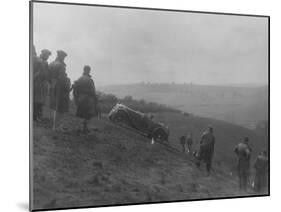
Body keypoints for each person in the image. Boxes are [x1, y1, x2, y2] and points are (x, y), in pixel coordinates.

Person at [49, 50, 70, 131]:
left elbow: (48, 75)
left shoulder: (51, 63)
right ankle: (57, 127)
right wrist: (67, 87)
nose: (64, 59)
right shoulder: (60, 65)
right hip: (60, 87)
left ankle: (55, 126)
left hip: (52, 86)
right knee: (60, 107)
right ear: (61, 56)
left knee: (56, 107)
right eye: (63, 57)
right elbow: (62, 78)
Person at [73, 65, 98, 134]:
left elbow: (75, 90)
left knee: (82, 114)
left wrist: (76, 99)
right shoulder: (89, 80)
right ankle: (84, 128)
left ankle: (81, 128)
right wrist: (96, 99)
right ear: (88, 70)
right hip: (88, 99)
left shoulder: (79, 79)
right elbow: (93, 91)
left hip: (80, 99)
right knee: (89, 114)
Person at [33, 49, 52, 121]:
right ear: (43, 54)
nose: (47, 57)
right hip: (38, 82)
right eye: (47, 55)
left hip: (40, 82)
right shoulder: (40, 61)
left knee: (38, 100)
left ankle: (36, 115)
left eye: (48, 56)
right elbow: (40, 72)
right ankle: (36, 116)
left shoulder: (41, 61)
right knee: (38, 100)